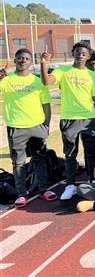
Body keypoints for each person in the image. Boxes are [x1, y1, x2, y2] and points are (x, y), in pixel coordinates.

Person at [41, 42, 95, 200]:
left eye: (84, 53)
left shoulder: (93, 75)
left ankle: (91, 180)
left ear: (88, 56)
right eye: (77, 52)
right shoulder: (63, 71)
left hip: (89, 119)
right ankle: (70, 185)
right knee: (70, 154)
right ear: (73, 53)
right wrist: (43, 62)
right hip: (69, 118)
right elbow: (46, 81)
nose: (80, 55)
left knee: (91, 153)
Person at [0, 49, 56, 207]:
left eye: (26, 58)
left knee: (40, 158)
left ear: (31, 62)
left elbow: (46, 105)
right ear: (15, 60)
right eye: (19, 58)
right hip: (16, 126)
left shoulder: (37, 81)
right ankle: (21, 193)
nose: (23, 61)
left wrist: (46, 125)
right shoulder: (6, 80)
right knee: (18, 162)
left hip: (37, 125)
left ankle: (43, 189)